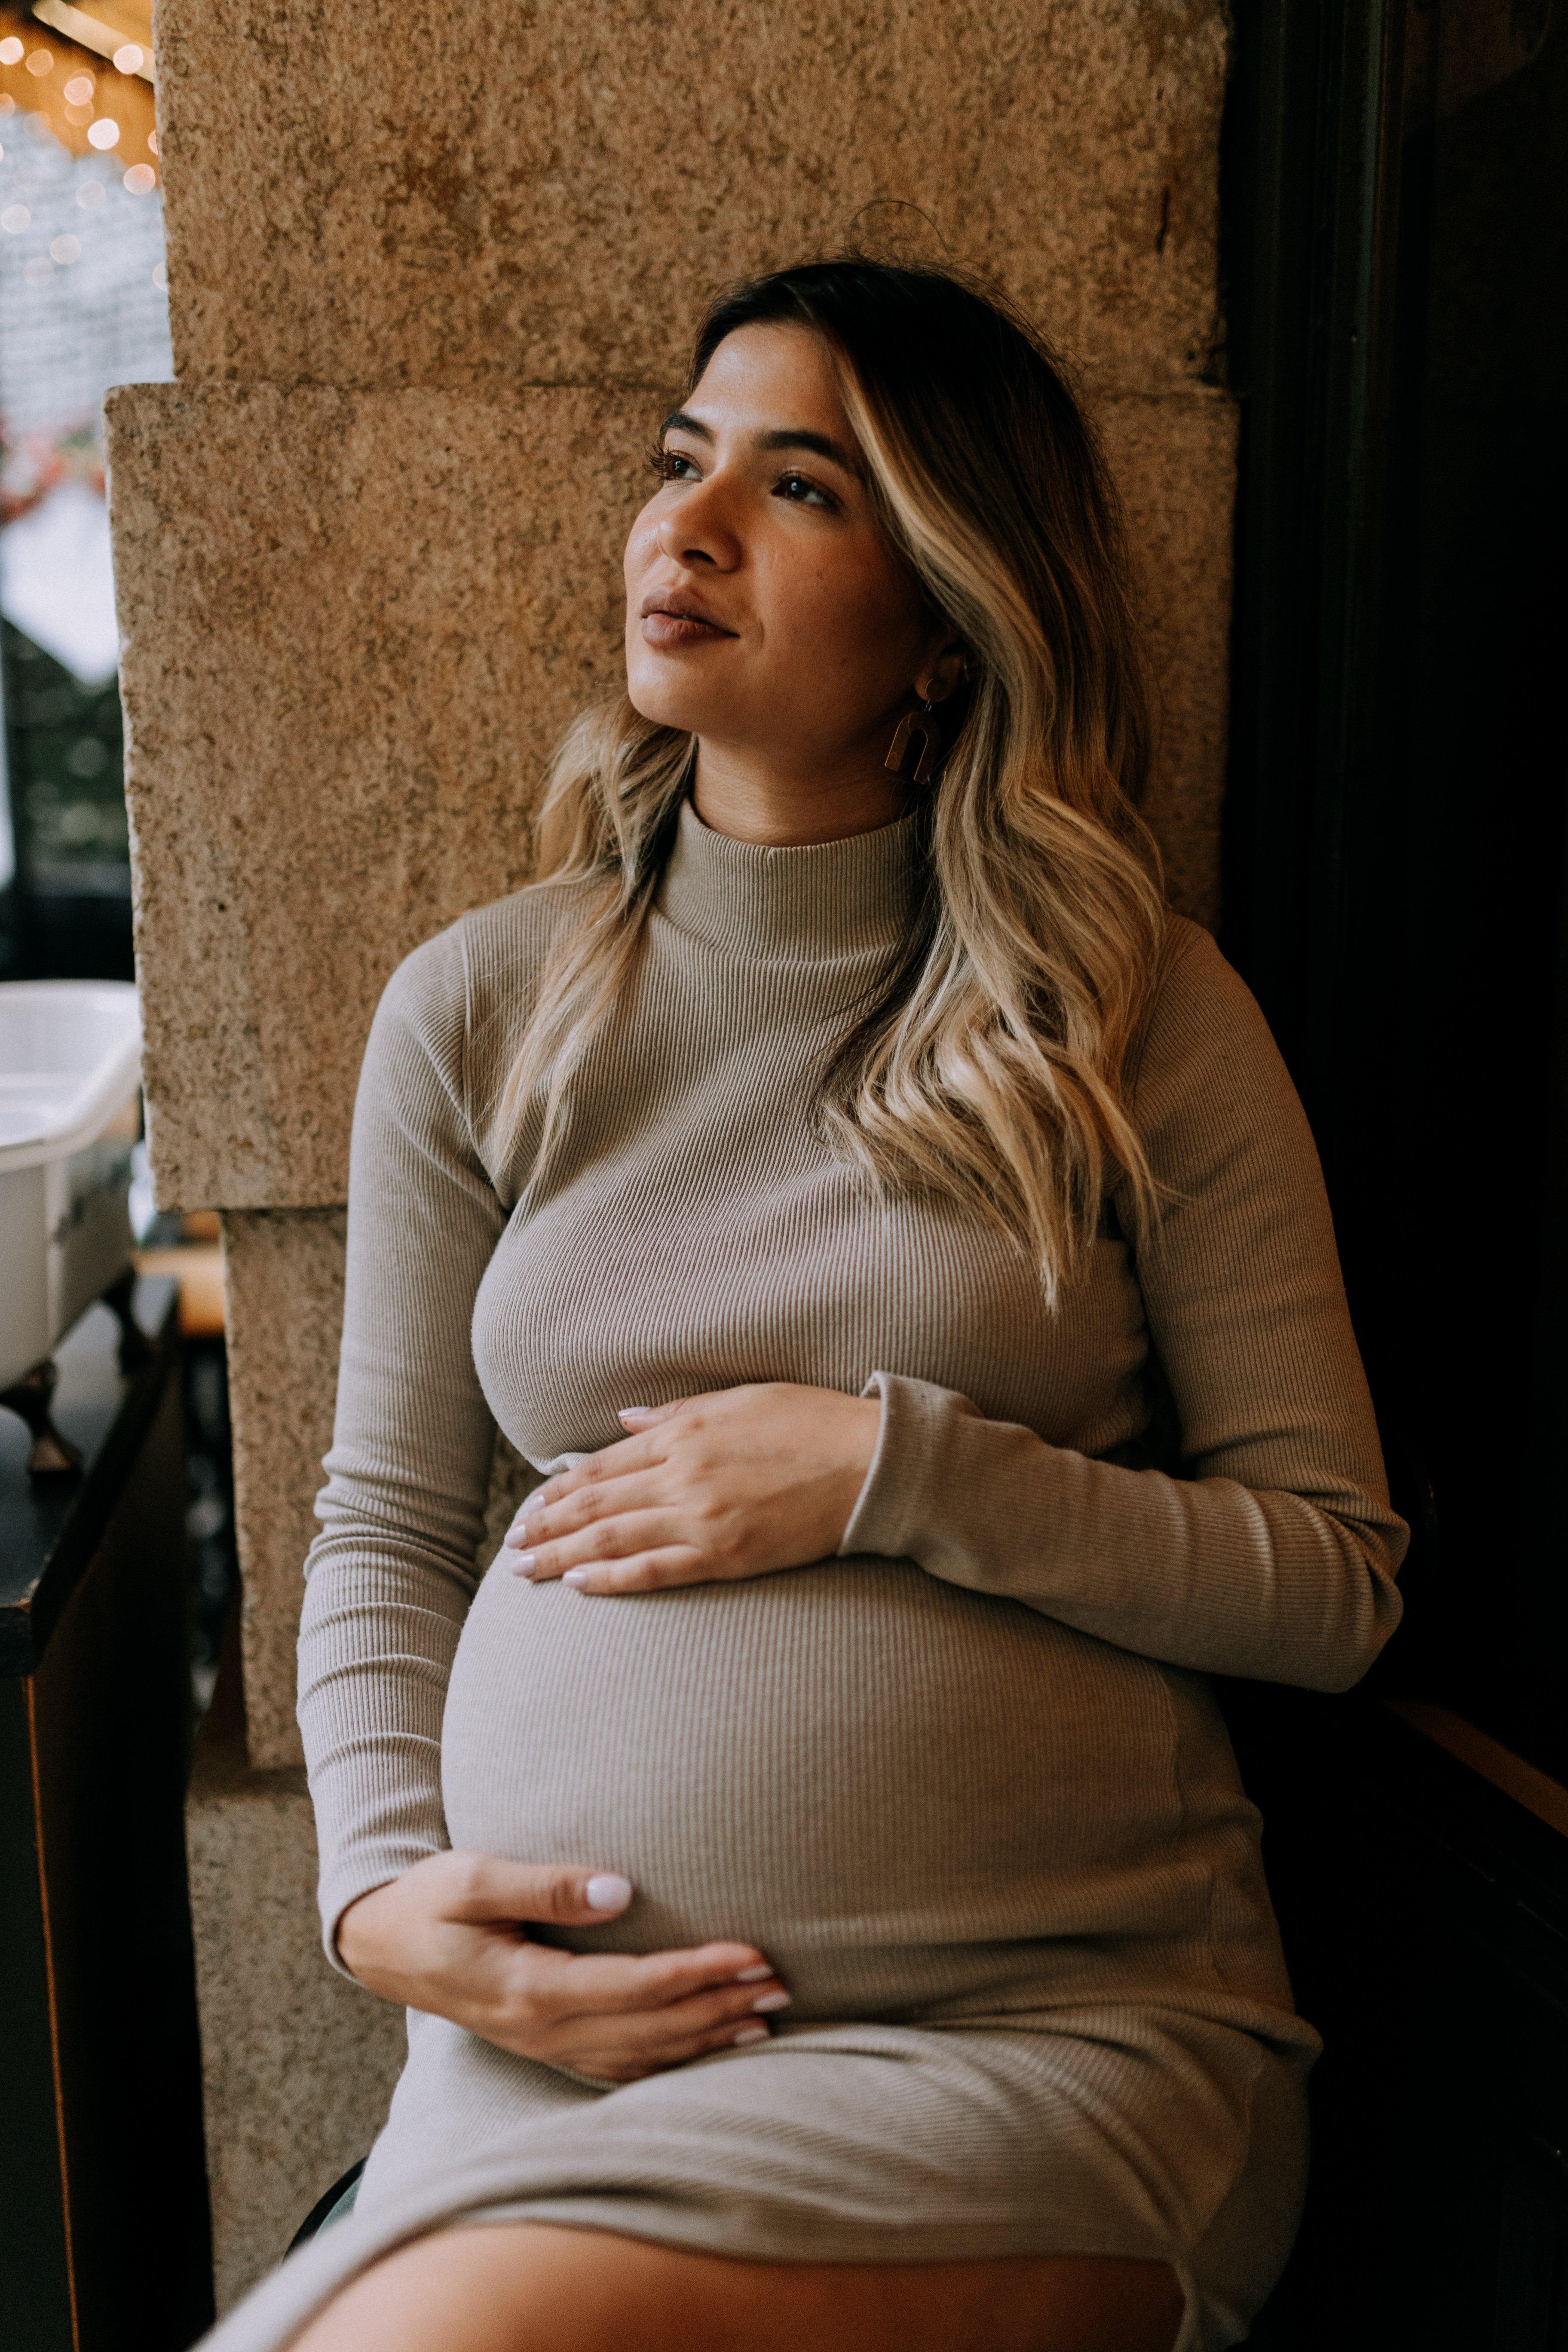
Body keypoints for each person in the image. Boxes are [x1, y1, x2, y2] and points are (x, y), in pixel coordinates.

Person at [199, 260, 1407, 2352]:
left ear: (950, 618)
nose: (688, 524)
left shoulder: (1132, 1012)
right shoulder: (481, 1006)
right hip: (559, 2058)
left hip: (1038, 2041)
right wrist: (380, 1901)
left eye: (802, 486)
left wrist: (896, 1471)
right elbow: (383, 1525)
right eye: (682, 462)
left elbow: (1335, 1583)